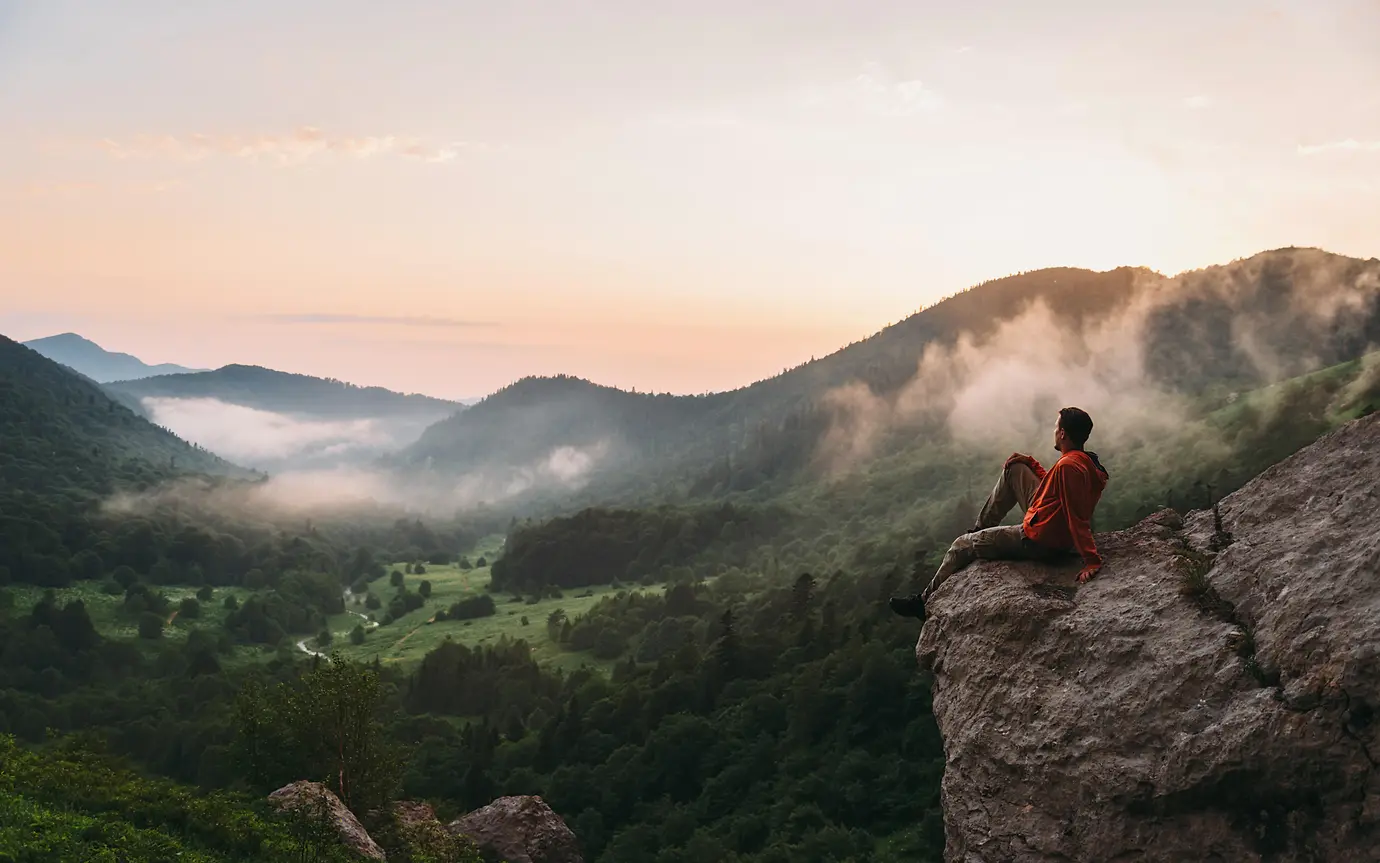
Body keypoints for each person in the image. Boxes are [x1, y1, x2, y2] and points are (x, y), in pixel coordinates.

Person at [889, 407, 1109, 621]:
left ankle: (923, 602)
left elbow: (1076, 515)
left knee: (960, 546)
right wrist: (1029, 462)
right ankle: (981, 530)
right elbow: (1051, 488)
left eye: (1056, 427)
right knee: (1015, 469)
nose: (1053, 431)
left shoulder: (1068, 467)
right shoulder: (1081, 460)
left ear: (1063, 433)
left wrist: (1091, 561)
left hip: (1041, 540)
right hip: (1050, 519)